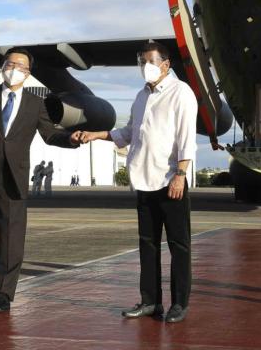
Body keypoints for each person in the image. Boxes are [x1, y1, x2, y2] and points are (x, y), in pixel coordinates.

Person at [74, 41, 197, 324]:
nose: (146, 67)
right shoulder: (141, 96)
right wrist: (97, 135)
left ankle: (179, 303)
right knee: (148, 243)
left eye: (151, 62)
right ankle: (150, 301)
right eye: (142, 62)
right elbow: (130, 132)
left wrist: (181, 174)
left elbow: (186, 137)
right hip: (143, 178)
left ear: (166, 64)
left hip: (170, 179)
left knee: (179, 244)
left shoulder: (181, 93)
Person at [0, 48, 76, 313]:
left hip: (14, 178)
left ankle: (3, 295)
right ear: (3, 66)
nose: (15, 69)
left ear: (28, 73)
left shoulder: (35, 103)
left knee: (11, 241)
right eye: (11, 63)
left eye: (21, 66)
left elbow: (50, 135)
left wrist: (72, 139)